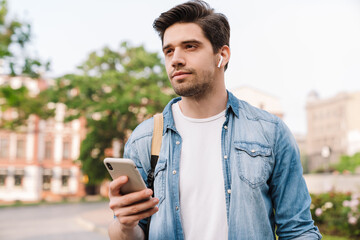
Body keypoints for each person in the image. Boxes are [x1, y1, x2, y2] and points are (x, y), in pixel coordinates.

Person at [108, 1, 322, 239]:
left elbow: (298, 230)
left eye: (190, 46)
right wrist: (125, 226)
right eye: (169, 50)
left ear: (222, 54)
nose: (175, 59)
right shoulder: (144, 139)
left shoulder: (270, 132)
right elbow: (130, 232)